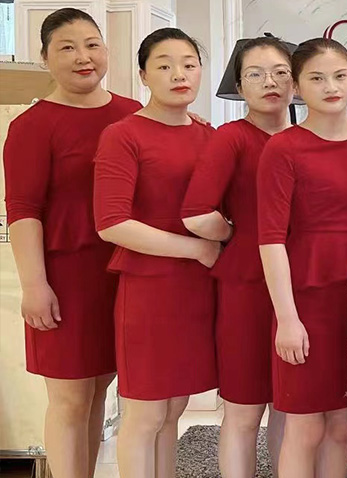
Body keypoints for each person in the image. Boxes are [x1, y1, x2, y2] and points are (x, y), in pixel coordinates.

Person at [2, 8, 141, 477]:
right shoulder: (32, 125)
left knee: (100, 388)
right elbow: (23, 210)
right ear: (44, 58)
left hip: (122, 272)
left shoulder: (133, 114)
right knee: (70, 396)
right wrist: (34, 285)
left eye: (92, 45)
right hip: (64, 277)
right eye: (67, 48)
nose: (84, 57)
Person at [256, 38, 347, 477]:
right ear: (297, 87)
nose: (331, 87)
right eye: (317, 78)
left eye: (340, 76)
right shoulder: (283, 148)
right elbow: (270, 239)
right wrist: (287, 319)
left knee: (342, 423)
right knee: (305, 425)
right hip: (307, 300)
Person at [93, 27, 219, 478]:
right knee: (145, 414)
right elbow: (111, 224)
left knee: (174, 411)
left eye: (188, 65)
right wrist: (196, 249)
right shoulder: (123, 135)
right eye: (164, 66)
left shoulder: (209, 135)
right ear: (144, 75)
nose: (179, 75)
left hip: (198, 289)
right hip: (149, 290)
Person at [181, 35, 293, 478]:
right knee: (245, 408)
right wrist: (236, 235)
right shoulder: (231, 138)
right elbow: (196, 214)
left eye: (280, 72)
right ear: (239, 86)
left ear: (297, 81)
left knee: (293, 407)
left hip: (305, 283)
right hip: (247, 286)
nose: (270, 82)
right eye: (255, 74)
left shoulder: (307, 139)